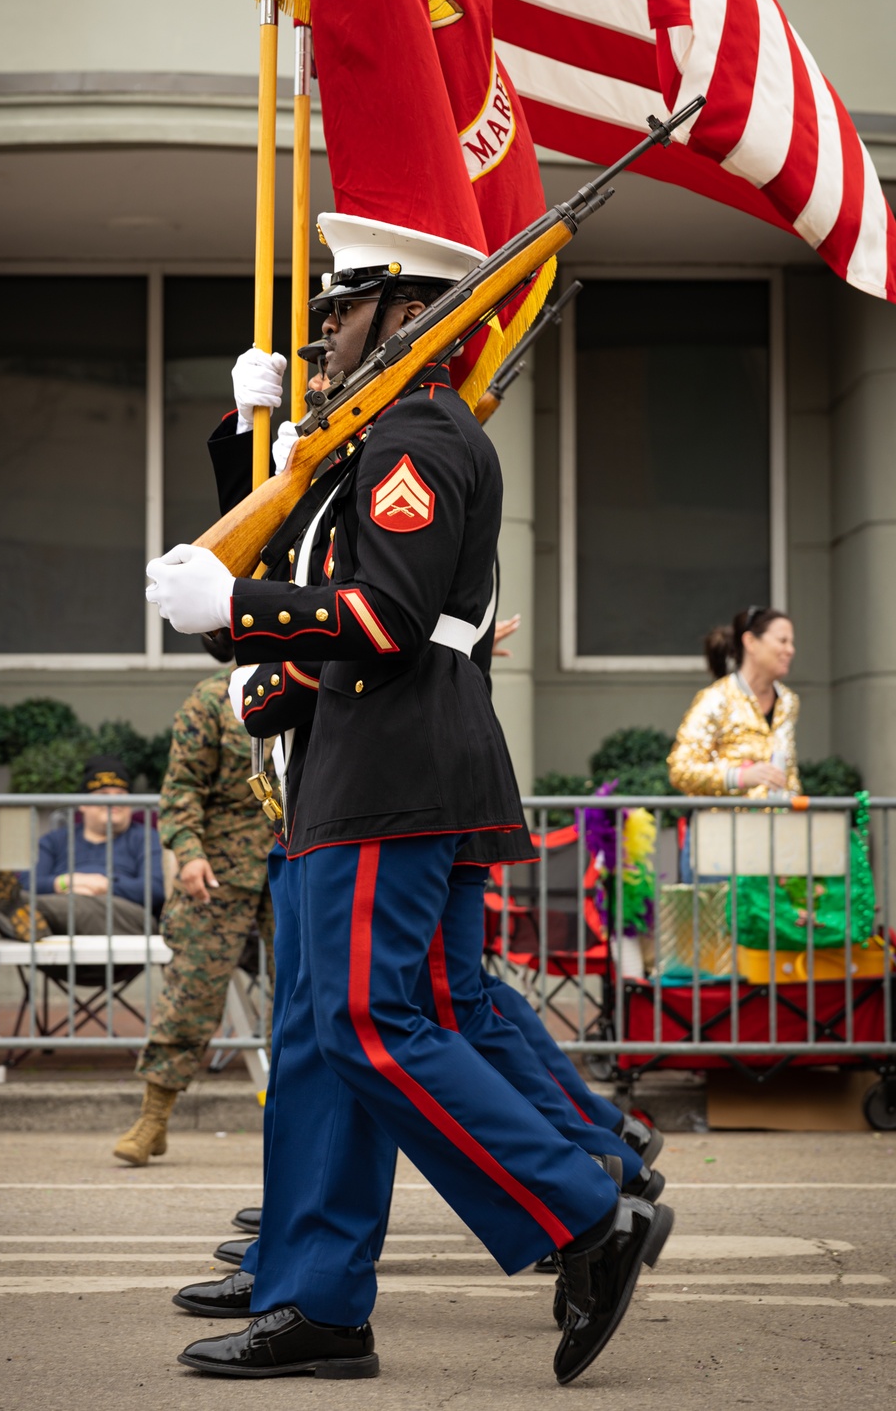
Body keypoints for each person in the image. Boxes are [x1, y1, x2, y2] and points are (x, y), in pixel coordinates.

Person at [146, 214, 672, 1386]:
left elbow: (376, 619)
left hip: (391, 773)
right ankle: (319, 1301)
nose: (324, 332)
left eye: (342, 311)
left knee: (379, 1029)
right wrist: (246, 451)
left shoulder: (420, 439)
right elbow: (298, 539)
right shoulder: (379, 442)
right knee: (337, 1043)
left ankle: (585, 1206)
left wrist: (234, 611)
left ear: (406, 314)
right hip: (357, 772)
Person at [113, 633, 275, 1167]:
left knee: (302, 999)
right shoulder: (210, 700)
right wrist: (188, 853)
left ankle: (298, 1128)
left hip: (293, 863)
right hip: (219, 871)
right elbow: (181, 790)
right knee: (191, 994)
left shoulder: (313, 687)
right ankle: (153, 1118)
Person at [0, 755, 164, 940]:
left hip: (125, 920)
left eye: (121, 794)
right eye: (103, 793)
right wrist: (66, 882)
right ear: (82, 804)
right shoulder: (55, 840)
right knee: (39, 899)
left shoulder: (146, 838)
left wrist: (105, 885)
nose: (113, 801)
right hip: (61, 925)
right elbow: (28, 882)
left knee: (77, 904)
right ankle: (7, 913)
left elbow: (155, 890)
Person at [668, 607, 799, 880]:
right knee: (715, 923)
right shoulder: (716, 698)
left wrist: (796, 830)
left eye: (792, 642)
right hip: (717, 844)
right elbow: (680, 769)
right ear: (751, 642)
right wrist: (739, 777)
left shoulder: (788, 702)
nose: (790, 650)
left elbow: (789, 774)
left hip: (772, 845)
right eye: (782, 641)